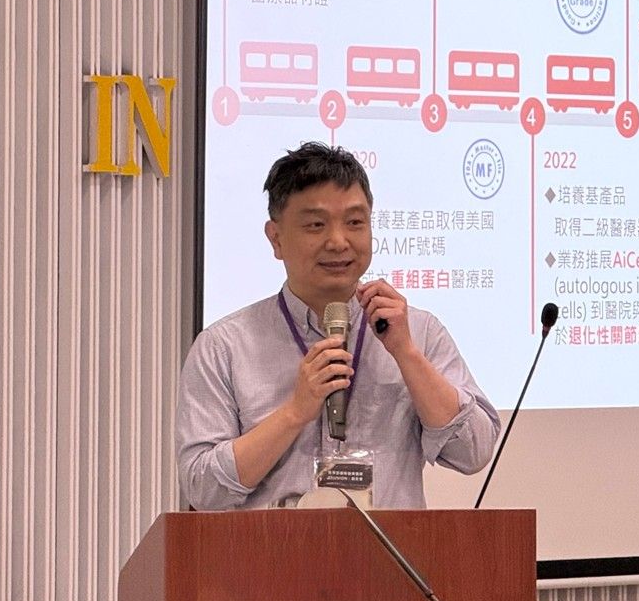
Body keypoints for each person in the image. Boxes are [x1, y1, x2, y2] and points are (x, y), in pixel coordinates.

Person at [176, 142, 500, 509]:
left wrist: (407, 355)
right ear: (276, 238)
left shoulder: (418, 332)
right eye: (316, 225)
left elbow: (474, 451)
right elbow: (202, 488)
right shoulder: (224, 347)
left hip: (389, 547)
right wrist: (294, 413)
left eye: (355, 223)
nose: (338, 241)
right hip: (273, 548)